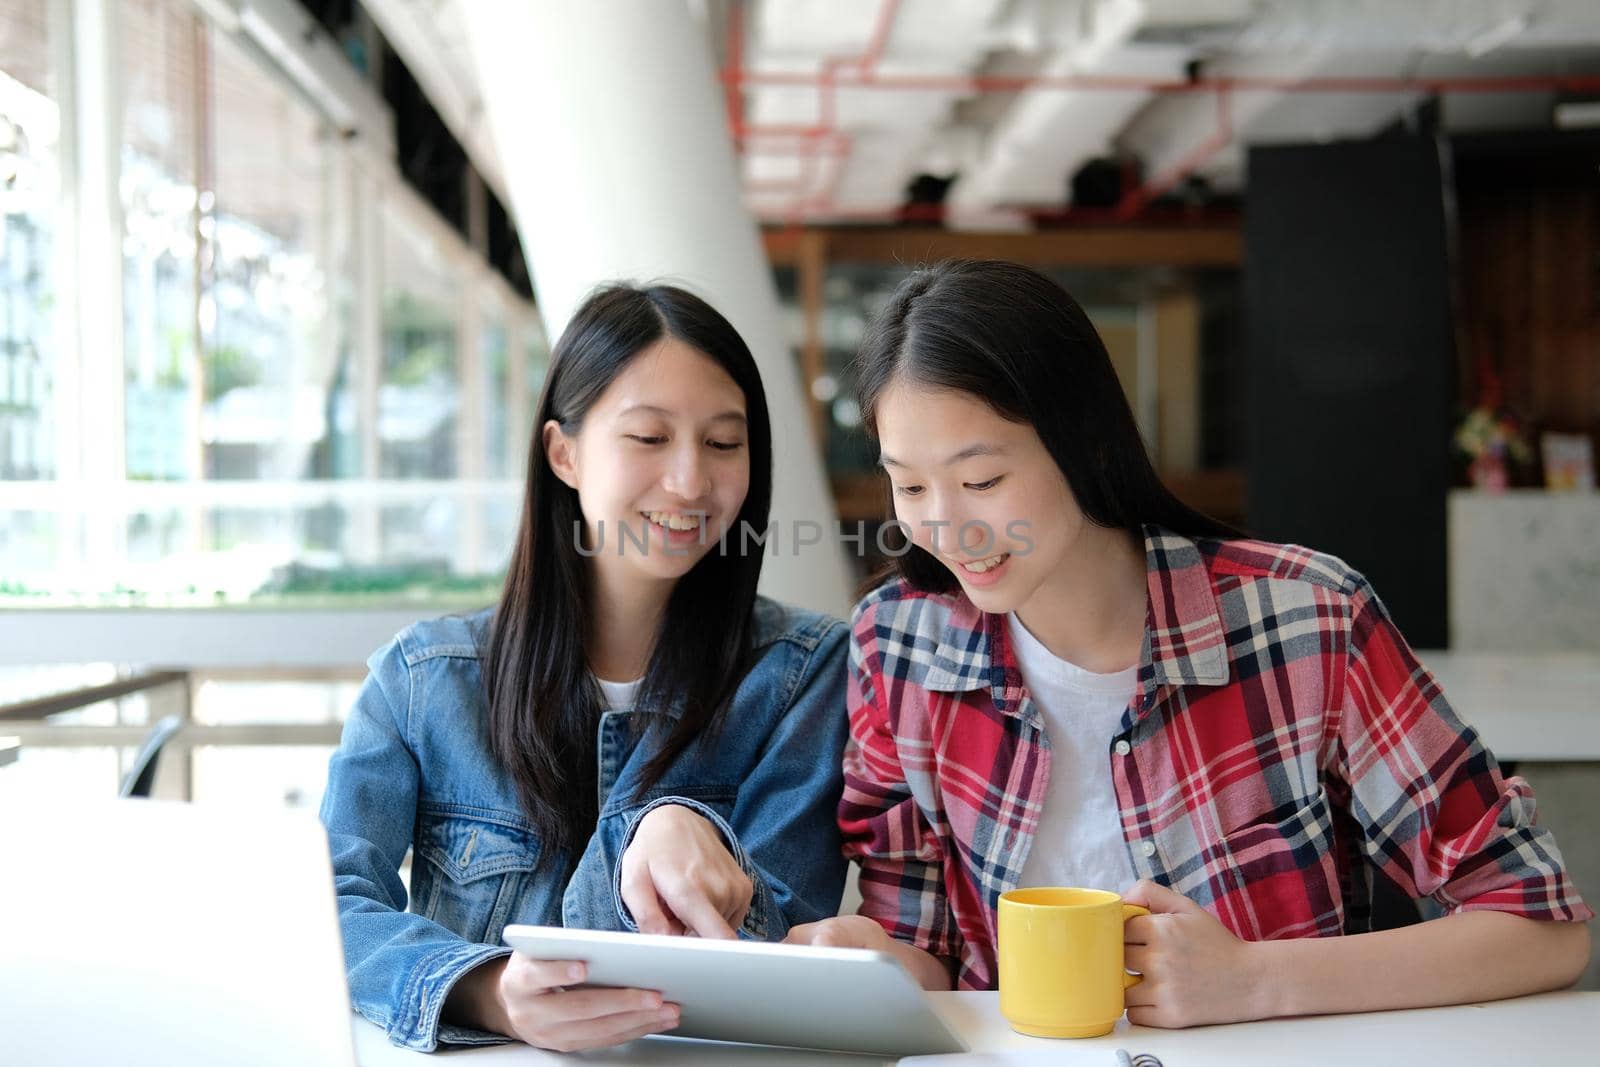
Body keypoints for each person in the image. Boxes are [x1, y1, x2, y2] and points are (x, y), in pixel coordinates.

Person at [784, 259, 1592, 1026]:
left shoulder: (1307, 621)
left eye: (982, 480)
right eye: (912, 483)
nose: (945, 526)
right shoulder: (898, 646)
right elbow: (929, 953)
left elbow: (1539, 921)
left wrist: (1254, 979)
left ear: (1087, 440)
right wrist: (874, 958)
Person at [321, 283, 849, 1053]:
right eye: (649, 437)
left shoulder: (803, 676)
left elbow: (781, 939)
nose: (691, 481)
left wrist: (675, 827)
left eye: (724, 443)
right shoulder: (423, 679)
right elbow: (327, 903)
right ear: (563, 453)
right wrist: (491, 990)